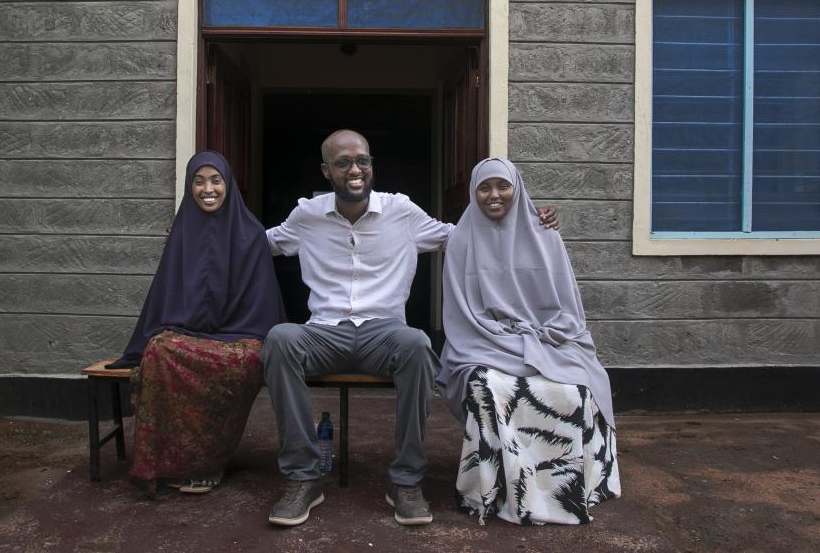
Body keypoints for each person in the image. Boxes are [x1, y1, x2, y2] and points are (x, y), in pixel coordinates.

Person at [262, 130, 559, 527]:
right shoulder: (307, 216)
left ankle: (406, 480)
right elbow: (257, 244)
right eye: (343, 163)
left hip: (385, 335)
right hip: (324, 333)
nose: (355, 169)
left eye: (362, 161)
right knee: (280, 339)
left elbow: (462, 236)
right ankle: (303, 478)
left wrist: (529, 220)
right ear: (326, 170)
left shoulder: (401, 211)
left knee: (418, 344)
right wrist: (199, 230)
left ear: (371, 165)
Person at [437, 157, 620, 526]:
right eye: (484, 187)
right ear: (473, 192)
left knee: (576, 389)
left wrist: (540, 335)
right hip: (484, 340)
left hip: (546, 337)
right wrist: (504, 337)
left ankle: (563, 487)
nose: (494, 195)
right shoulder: (460, 239)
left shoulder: (545, 233)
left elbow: (567, 308)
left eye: (503, 186)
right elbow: (461, 315)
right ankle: (497, 487)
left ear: (517, 188)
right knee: (489, 386)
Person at [108, 151, 282, 497]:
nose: (208, 189)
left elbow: (261, 305)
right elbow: (164, 294)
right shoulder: (182, 233)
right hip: (191, 336)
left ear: (228, 185)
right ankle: (169, 463)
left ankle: (207, 461)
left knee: (240, 358)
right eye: (199, 181)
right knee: (159, 350)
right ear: (190, 187)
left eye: (216, 180)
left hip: (241, 338)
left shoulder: (251, 234)